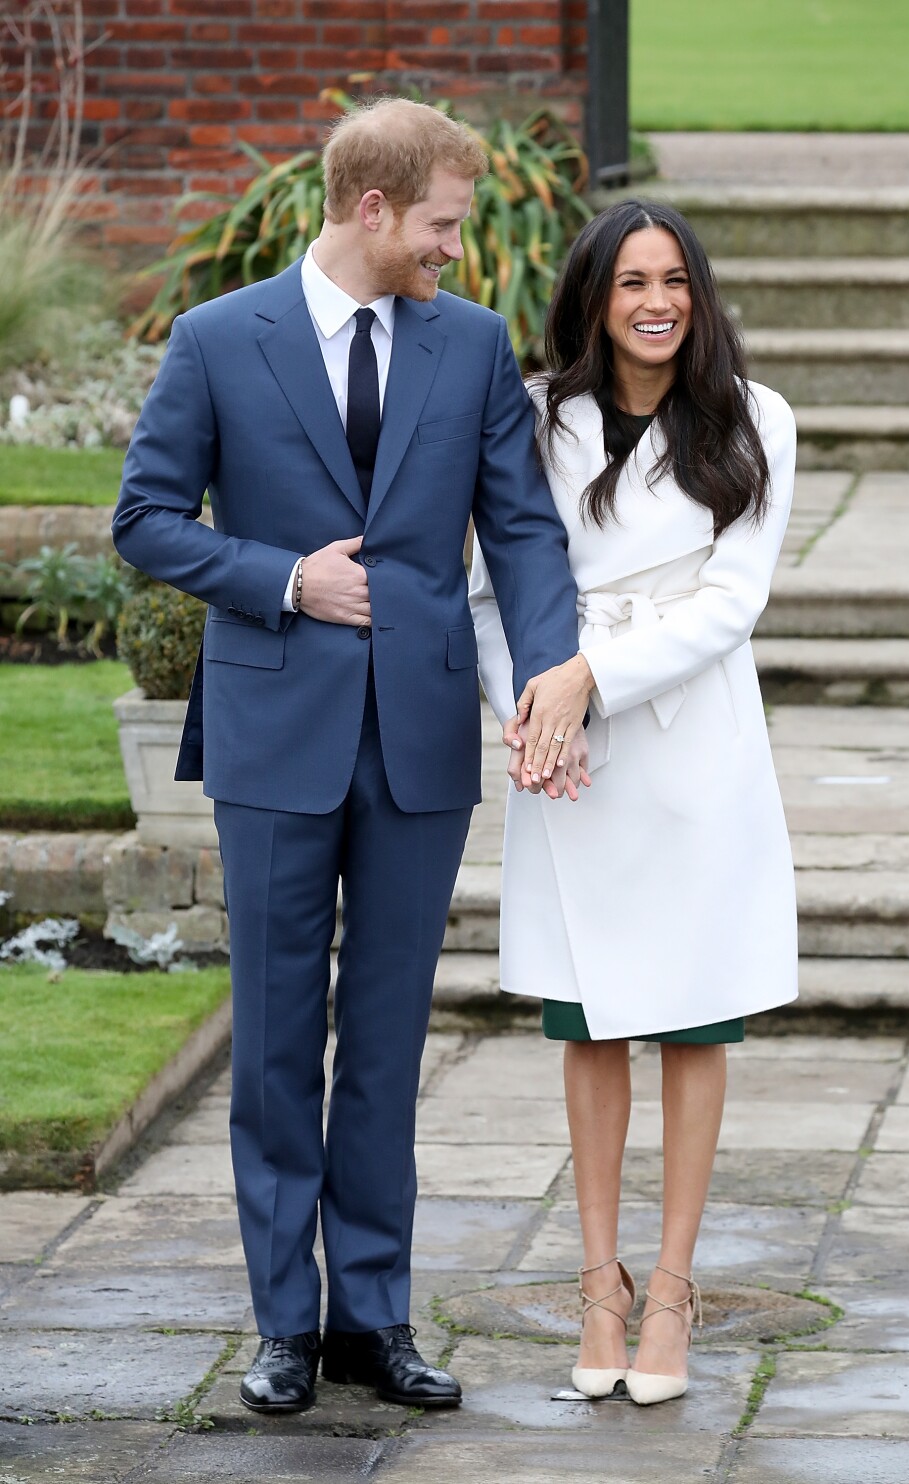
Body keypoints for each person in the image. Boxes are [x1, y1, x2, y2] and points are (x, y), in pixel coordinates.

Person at [113, 98, 582, 1414]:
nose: (455, 245)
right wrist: (279, 579)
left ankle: (372, 1317)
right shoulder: (217, 342)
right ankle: (281, 1325)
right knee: (272, 1041)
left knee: (383, 1041)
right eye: (440, 222)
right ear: (373, 209)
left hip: (420, 742)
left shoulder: (475, 346)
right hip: (273, 737)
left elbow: (526, 533)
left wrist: (551, 675)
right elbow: (145, 519)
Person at [469, 199, 798, 1406]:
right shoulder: (538, 419)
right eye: (630, 283)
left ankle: (671, 1290)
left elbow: (732, 601)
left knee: (697, 1017)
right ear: (594, 299)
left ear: (697, 295)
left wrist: (589, 678)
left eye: (675, 280)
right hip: (569, 755)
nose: (656, 301)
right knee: (590, 1017)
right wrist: (532, 710)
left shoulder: (756, 418)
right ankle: (597, 1282)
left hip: (691, 744)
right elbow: (497, 589)